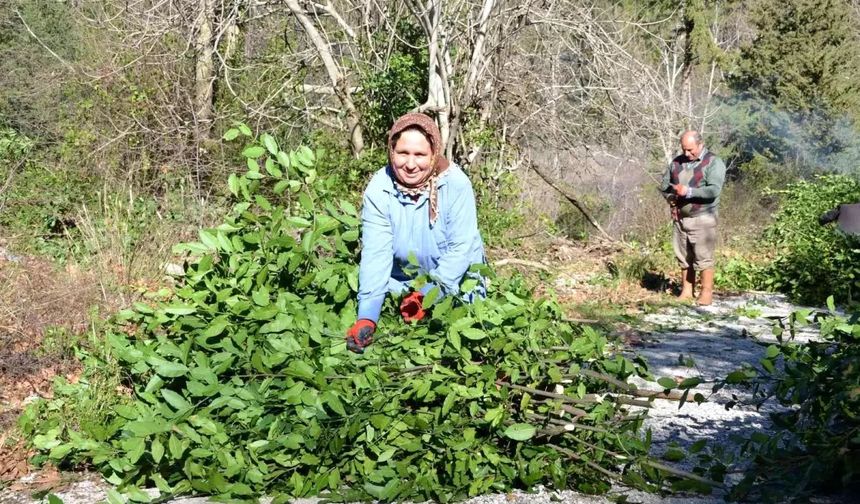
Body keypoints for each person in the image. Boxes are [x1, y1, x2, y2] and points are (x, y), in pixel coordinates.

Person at [345, 113, 486, 353]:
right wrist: (367, 316)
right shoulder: (380, 189)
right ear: (392, 151)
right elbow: (376, 255)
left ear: (434, 154)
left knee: (460, 348)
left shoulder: (455, 185)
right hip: (403, 283)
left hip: (458, 282)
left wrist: (428, 295)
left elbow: (461, 250)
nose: (410, 164)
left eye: (420, 155)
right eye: (403, 153)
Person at [660, 131, 726, 306]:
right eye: (684, 149)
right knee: (683, 256)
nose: (687, 154)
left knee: (703, 257)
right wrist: (670, 197)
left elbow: (714, 190)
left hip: (703, 216)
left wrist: (689, 192)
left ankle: (706, 292)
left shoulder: (713, 162)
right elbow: (664, 185)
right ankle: (687, 291)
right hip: (680, 218)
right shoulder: (676, 162)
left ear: (700, 144)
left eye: (691, 150)